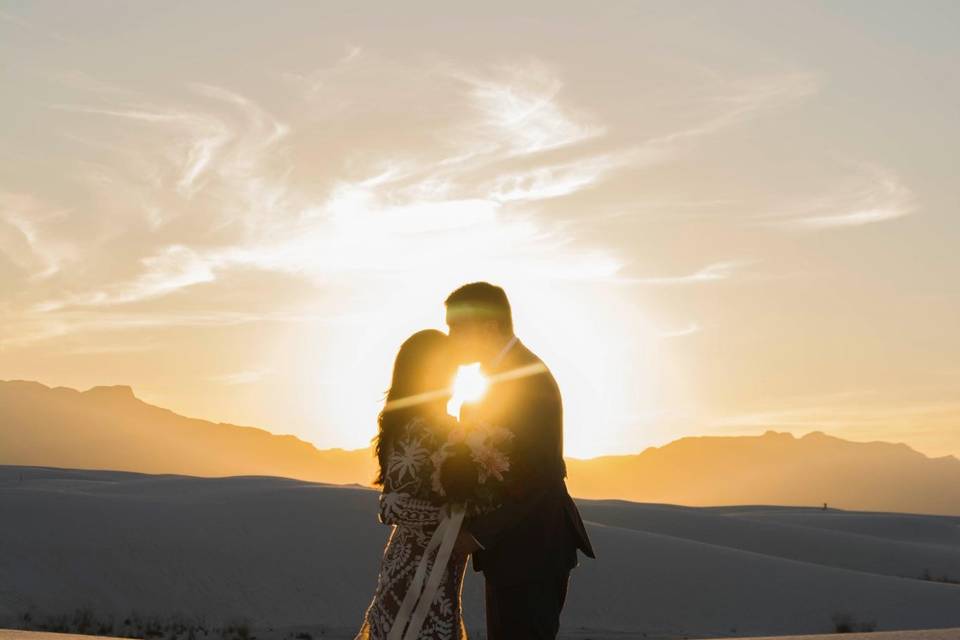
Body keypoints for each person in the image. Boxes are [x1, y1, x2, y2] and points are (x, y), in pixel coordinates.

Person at [445, 282, 596, 640]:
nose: (450, 338)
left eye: (457, 328)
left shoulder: (528, 379)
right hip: (515, 552)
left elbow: (541, 473)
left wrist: (478, 534)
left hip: (532, 549)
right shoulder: (498, 376)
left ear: (489, 327)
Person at [354, 329, 469, 640]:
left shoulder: (445, 426)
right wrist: (457, 521)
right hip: (415, 567)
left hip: (439, 565)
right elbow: (393, 505)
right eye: (448, 369)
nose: (452, 380)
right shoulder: (417, 429)